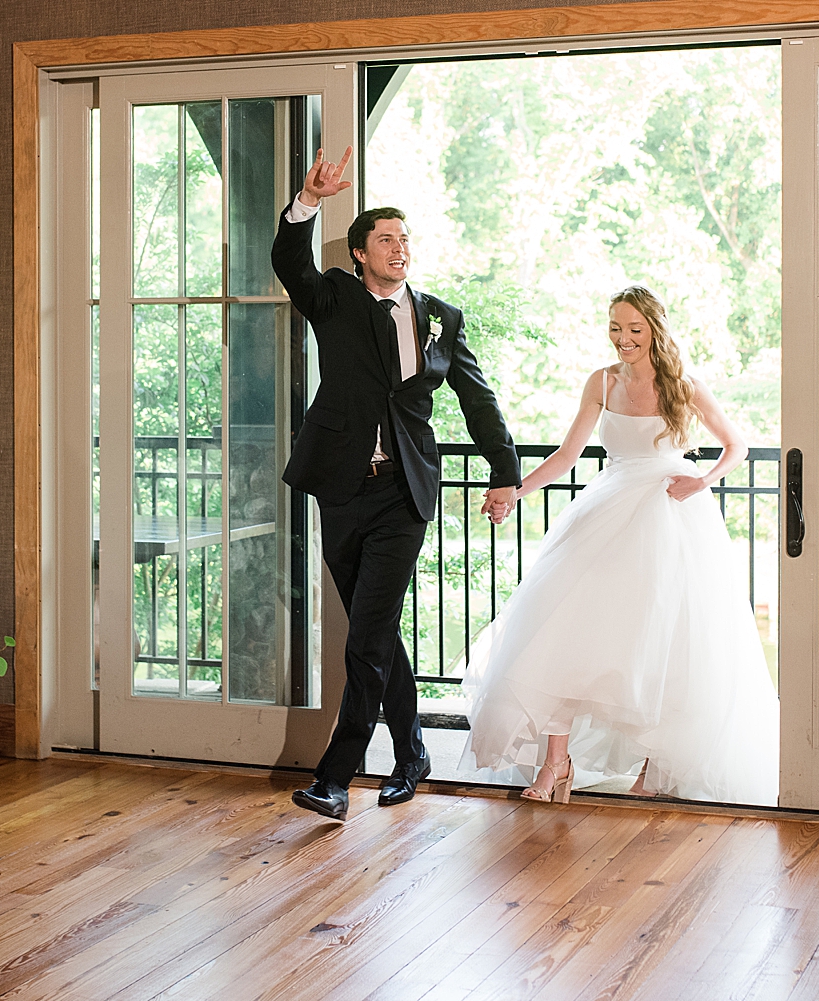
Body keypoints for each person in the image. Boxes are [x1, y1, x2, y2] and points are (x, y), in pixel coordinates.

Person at [272, 147, 522, 821]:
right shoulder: (333, 297)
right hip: (342, 488)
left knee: (367, 633)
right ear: (359, 253)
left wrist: (505, 472)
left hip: (405, 492)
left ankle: (335, 775)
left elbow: (477, 397)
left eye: (406, 238)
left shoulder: (440, 316)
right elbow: (288, 262)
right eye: (386, 238)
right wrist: (307, 201)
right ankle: (412, 751)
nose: (400, 247)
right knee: (373, 630)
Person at [460, 286, 779, 806]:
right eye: (615, 327)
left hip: (673, 518)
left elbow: (735, 444)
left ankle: (657, 770)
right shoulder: (601, 382)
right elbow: (568, 454)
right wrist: (516, 492)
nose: (623, 338)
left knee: (670, 644)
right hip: (608, 512)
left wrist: (705, 480)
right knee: (563, 631)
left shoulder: (685, 385)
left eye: (634, 328)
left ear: (655, 328)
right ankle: (555, 763)